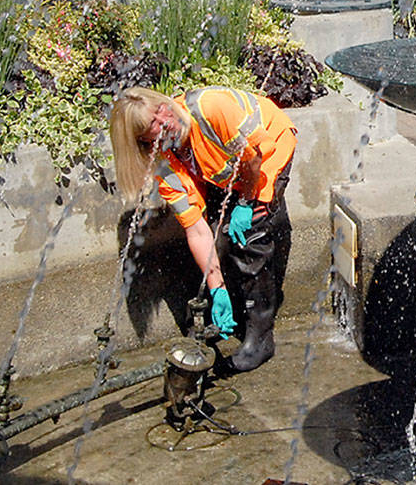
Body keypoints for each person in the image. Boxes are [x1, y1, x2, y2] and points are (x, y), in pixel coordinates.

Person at [110, 85, 295, 372]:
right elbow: (196, 230)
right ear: (143, 141)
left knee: (251, 231)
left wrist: (246, 202)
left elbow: (255, 158)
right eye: (153, 125)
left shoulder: (211, 109)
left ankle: (260, 338)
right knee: (218, 234)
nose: (165, 119)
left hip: (269, 149)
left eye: (161, 109)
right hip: (230, 171)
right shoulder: (164, 163)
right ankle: (228, 304)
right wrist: (216, 288)